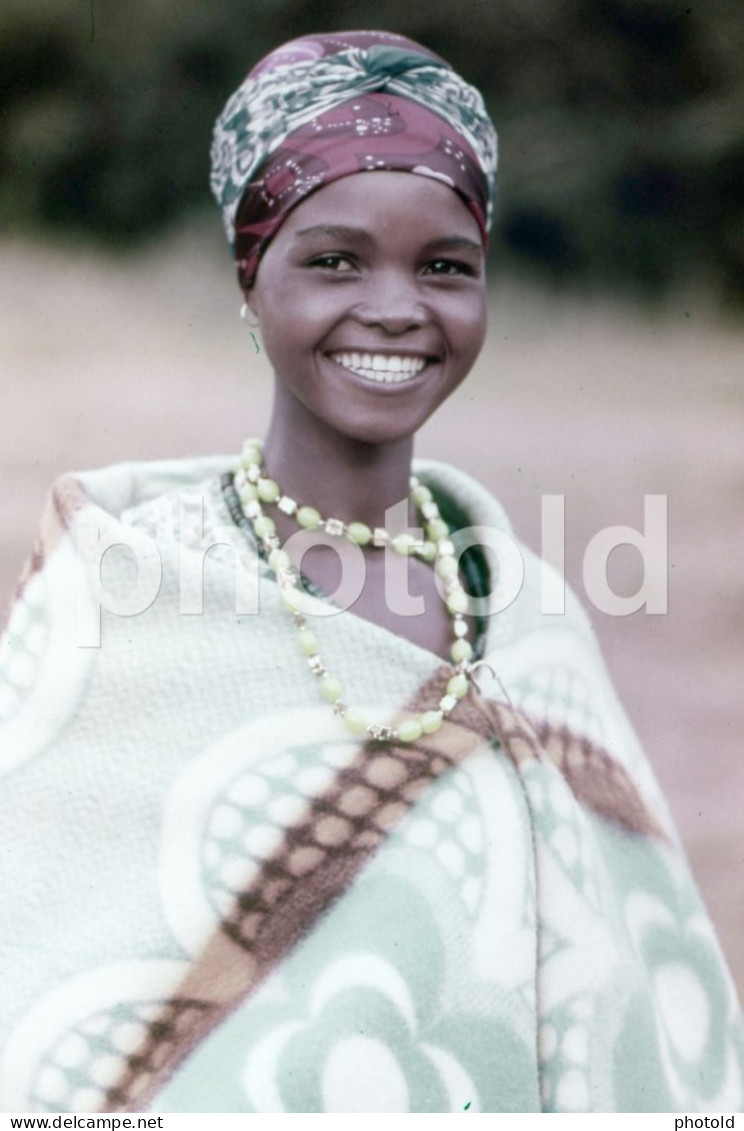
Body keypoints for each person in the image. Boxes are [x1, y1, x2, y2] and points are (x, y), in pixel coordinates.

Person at [0, 30, 741, 1115]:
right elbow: (47, 962)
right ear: (250, 281)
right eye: (335, 260)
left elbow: (629, 975)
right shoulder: (130, 593)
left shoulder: (522, 613)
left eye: (445, 266)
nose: (396, 305)